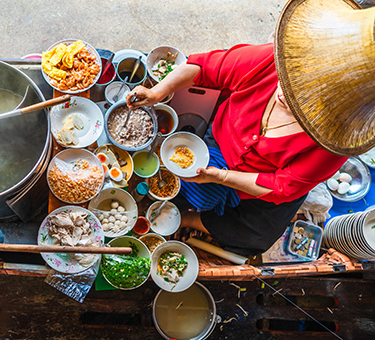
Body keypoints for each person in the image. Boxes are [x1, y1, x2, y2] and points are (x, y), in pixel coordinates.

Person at [125, 0, 375, 255]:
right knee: (179, 181)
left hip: (261, 179)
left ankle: (190, 219)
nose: (283, 94)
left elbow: (282, 186)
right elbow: (205, 67)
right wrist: (158, 92)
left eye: (302, 101)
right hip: (220, 142)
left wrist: (221, 177)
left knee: (257, 237)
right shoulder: (271, 60)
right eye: (288, 80)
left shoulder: (334, 140)